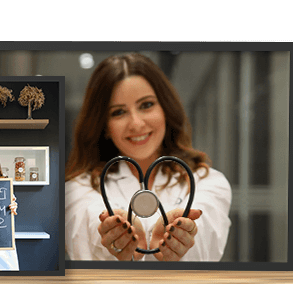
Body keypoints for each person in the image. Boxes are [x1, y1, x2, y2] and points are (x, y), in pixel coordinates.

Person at [65, 53, 232, 261]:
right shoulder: (76, 190)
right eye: (118, 112)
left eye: (146, 105)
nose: (136, 123)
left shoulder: (208, 182)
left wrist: (179, 239)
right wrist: (114, 236)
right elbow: (87, 222)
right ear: (104, 127)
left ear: (165, 108)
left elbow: (205, 236)